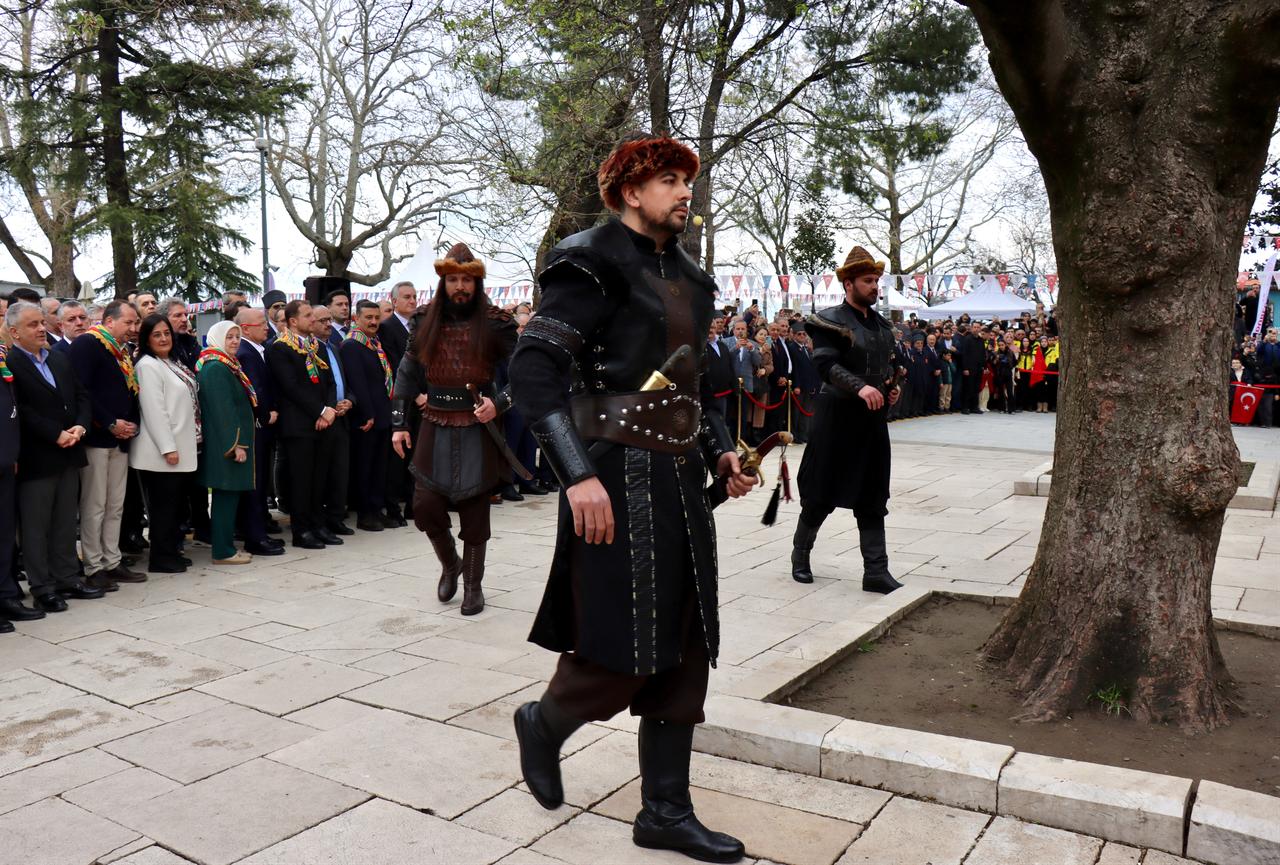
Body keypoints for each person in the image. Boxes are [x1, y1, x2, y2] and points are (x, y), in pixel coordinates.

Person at [509, 134, 754, 863]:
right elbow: (534, 371)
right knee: (625, 641)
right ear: (628, 191)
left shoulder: (687, 275)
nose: (685, 192)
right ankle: (546, 721)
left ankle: (665, 811)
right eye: (670, 181)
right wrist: (577, 473)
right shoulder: (590, 260)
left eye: (687, 181)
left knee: (684, 640)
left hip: (679, 481)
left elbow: (689, 383)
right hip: (611, 478)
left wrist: (720, 449)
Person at [390, 243, 517, 616]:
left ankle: (474, 587)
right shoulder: (425, 318)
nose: (460, 286)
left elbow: (527, 373)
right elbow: (407, 372)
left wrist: (500, 403)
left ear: (477, 283)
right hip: (434, 422)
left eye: (466, 280)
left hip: (478, 423)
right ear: (443, 282)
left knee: (475, 506)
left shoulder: (496, 322)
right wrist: (398, 424)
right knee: (425, 506)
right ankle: (450, 564)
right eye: (453, 280)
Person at [791, 245, 903, 595]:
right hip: (836, 419)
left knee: (873, 496)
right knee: (821, 493)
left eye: (876, 281)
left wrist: (889, 388)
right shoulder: (829, 320)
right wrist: (860, 388)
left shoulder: (883, 326)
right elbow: (825, 365)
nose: (875, 286)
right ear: (848, 284)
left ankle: (876, 571)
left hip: (871, 423)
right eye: (867, 281)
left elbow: (888, 366)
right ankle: (800, 557)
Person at [6, 301, 100, 611]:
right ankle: (42, 586)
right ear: (14, 332)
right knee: (36, 525)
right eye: (32, 325)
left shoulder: (58, 358)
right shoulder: (12, 364)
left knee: (64, 521)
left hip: (70, 451)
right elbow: (22, 409)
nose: (41, 328)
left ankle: (68, 578)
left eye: (41, 322)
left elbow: (81, 395)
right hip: (38, 456)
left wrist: (80, 427)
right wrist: (53, 433)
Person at [69, 299, 145, 588]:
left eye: (135, 323)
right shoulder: (88, 344)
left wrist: (131, 423)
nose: (133, 328)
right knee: (95, 504)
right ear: (109, 320)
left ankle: (112, 560)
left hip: (121, 439)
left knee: (115, 504)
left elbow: (129, 389)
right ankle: (93, 564)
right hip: (99, 438)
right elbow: (82, 390)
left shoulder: (120, 350)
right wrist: (109, 422)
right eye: (128, 322)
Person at [268, 300, 341, 549]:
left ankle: (318, 525)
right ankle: (301, 531)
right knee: (301, 480)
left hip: (324, 422)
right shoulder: (279, 349)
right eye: (308, 315)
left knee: (319, 478)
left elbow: (329, 380)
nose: (313, 319)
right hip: (298, 425)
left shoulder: (316, 346)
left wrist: (329, 409)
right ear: (292, 321)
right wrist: (320, 411)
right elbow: (291, 387)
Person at [131, 314, 200, 573]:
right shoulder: (147, 365)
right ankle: (160, 558)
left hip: (182, 444)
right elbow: (154, 410)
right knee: (163, 508)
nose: (163, 338)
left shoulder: (171, 361)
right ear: (146, 339)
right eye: (157, 334)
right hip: (160, 451)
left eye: (166, 333)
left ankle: (171, 551)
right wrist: (168, 447)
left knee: (175, 507)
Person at [196, 321, 257, 565]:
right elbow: (224, 411)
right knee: (225, 495)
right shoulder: (216, 368)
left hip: (230, 442)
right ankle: (222, 551)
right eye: (229, 337)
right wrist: (236, 444)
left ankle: (226, 547)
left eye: (237, 336)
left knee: (229, 495)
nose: (234, 341)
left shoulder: (226, 365)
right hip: (227, 445)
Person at [234, 307, 285, 556]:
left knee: (260, 482)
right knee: (255, 484)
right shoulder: (245, 352)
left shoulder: (255, 350)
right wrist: (266, 413)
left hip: (263, 428)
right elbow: (255, 390)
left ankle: (259, 531)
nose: (267, 327)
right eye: (261, 323)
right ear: (246, 328)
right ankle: (255, 537)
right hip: (257, 427)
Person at [340, 300, 393, 531]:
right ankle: (365, 513)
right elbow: (357, 383)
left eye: (376, 317)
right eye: (368, 318)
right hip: (366, 416)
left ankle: (376, 509)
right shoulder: (352, 345)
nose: (373, 322)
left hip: (382, 413)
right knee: (364, 467)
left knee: (380, 467)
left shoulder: (374, 343)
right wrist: (367, 413)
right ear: (356, 319)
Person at [311, 305, 355, 536]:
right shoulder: (310, 350)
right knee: (322, 475)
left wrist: (349, 400)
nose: (328, 324)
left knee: (340, 472)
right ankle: (320, 522)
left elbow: (344, 382)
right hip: (322, 419)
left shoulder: (334, 347)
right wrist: (326, 408)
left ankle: (337, 518)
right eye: (322, 320)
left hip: (342, 417)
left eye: (329, 320)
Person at [381, 280, 418, 527]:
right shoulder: (387, 327)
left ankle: (415, 505)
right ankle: (393, 507)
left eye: (414, 296)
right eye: (406, 297)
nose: (412, 301)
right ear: (394, 301)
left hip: (421, 403)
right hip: (400, 401)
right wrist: (416, 394)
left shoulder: (419, 325)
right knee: (397, 458)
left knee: (417, 455)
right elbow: (396, 365)